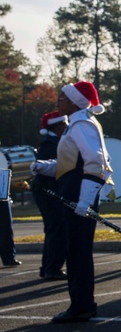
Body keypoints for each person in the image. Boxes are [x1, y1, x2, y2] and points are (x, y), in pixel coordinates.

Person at [31, 81, 111, 323]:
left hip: (79, 196)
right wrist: (44, 167)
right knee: (75, 251)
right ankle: (80, 304)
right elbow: (70, 163)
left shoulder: (82, 125)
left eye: (62, 98)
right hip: (74, 194)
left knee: (78, 252)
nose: (58, 101)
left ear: (76, 101)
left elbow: (96, 163)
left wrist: (85, 201)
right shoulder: (75, 125)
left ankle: (82, 306)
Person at [31, 111, 69, 278]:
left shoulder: (53, 142)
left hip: (47, 190)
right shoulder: (51, 144)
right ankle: (52, 268)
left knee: (53, 229)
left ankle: (48, 267)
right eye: (65, 125)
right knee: (57, 229)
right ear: (59, 126)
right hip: (48, 190)